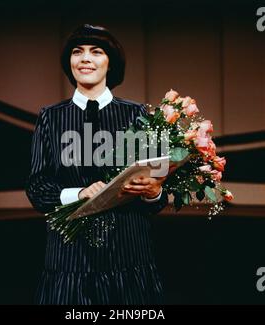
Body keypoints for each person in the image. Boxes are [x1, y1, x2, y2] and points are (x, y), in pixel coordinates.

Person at [26, 24, 169, 305]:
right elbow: (37, 187)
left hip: (128, 256)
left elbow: (157, 199)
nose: (85, 58)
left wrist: (154, 191)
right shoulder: (50, 118)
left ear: (110, 62)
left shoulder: (138, 115)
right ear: (69, 63)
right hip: (69, 261)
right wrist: (78, 195)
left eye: (96, 51)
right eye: (77, 52)